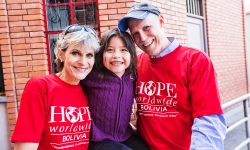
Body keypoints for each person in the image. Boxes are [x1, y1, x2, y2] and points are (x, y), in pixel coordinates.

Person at [118, 3, 227, 150]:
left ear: (161, 21)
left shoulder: (195, 60)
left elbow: (209, 119)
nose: (142, 38)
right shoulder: (137, 63)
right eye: (135, 33)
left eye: (146, 28)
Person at [11, 24, 100, 150]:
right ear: (61, 54)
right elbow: (25, 147)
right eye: (76, 53)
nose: (83, 62)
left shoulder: (89, 90)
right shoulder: (40, 87)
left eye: (89, 55)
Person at [81, 28, 149, 150]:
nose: (116, 56)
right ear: (101, 54)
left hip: (124, 135)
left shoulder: (132, 77)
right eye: (110, 50)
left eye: (123, 50)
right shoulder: (92, 75)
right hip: (98, 139)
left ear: (132, 55)